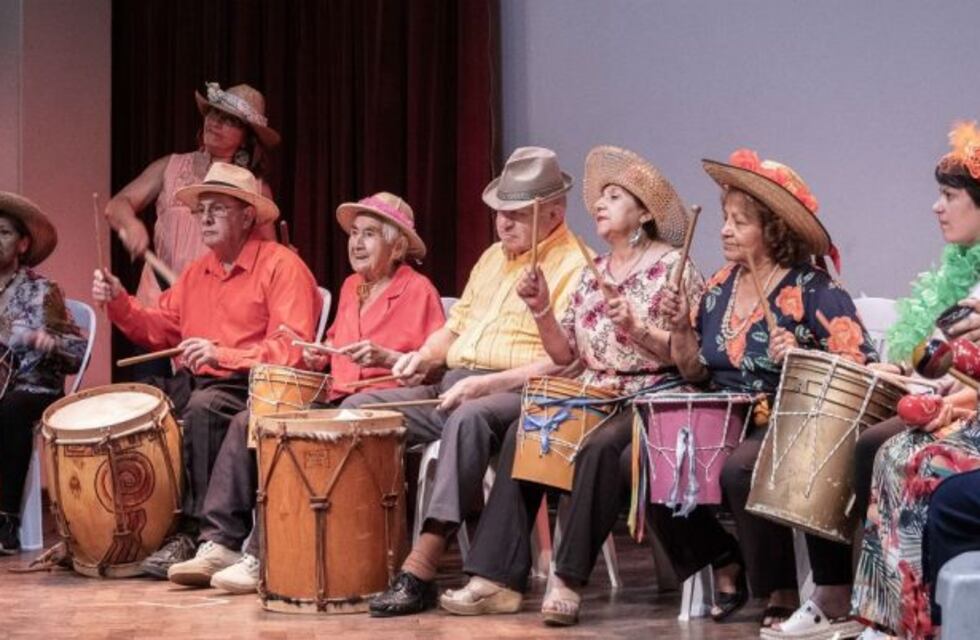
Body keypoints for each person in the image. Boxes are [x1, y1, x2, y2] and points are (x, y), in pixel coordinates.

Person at [439, 145, 704, 626]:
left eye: (615, 196)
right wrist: (541, 308)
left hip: (651, 397)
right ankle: (496, 580)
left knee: (598, 447)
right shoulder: (594, 270)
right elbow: (567, 357)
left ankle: (567, 579)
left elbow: (689, 363)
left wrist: (639, 330)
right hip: (594, 391)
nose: (599, 204)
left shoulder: (672, 268)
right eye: (599, 197)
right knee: (530, 427)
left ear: (643, 212)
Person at [342, 147, 590, 617]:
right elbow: (455, 329)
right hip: (452, 384)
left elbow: (565, 362)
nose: (504, 224)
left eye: (517, 215)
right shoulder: (493, 257)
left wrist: (483, 386)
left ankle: (420, 568)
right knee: (360, 409)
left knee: (469, 418)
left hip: (522, 393)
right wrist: (421, 356)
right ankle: (358, 555)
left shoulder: (575, 264)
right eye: (500, 213)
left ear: (554, 213)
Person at [164, 191, 445, 592]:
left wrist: (389, 357)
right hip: (339, 397)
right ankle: (221, 541)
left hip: (386, 405)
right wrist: (316, 357)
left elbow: (435, 364)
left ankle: (264, 555)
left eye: (369, 234)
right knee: (253, 419)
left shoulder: (418, 290)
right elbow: (335, 346)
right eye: (354, 233)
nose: (356, 242)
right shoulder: (350, 288)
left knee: (296, 434)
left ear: (397, 244)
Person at [658, 148, 877, 638]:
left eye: (740, 222)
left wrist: (797, 352)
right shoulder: (717, 288)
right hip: (725, 412)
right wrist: (679, 330)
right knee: (654, 463)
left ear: (773, 229)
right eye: (725, 219)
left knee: (740, 469)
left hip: (792, 417)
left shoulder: (814, 288)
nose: (725, 230)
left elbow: (860, 364)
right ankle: (722, 557)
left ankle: (777, 590)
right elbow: (694, 372)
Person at [91, 162, 320, 578]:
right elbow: (157, 328)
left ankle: (199, 532)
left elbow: (294, 350)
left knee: (205, 405)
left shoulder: (281, 266)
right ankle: (133, 530)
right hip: (200, 378)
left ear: (248, 215)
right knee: (136, 406)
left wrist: (223, 355)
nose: (206, 217)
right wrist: (120, 301)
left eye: (218, 207)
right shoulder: (200, 271)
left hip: (255, 383)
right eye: (201, 210)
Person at [851, 121, 980, 640]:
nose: (937, 207)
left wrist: (952, 388)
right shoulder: (965, 273)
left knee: (915, 461)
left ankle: (927, 622)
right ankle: (891, 618)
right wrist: (924, 371)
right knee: (889, 454)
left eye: (949, 196)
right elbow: (951, 355)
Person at [104, 82, 278, 309]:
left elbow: (269, 254)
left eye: (229, 120)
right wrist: (130, 223)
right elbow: (116, 205)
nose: (215, 122)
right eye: (213, 113)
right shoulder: (171, 166)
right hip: (158, 301)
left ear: (246, 138)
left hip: (215, 306)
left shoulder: (253, 186)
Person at [0, 192, 85, 554]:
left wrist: (44, 341)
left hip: (35, 389)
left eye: (3, 232)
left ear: (22, 244)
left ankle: (6, 520)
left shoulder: (41, 291)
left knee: (11, 409)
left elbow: (76, 353)